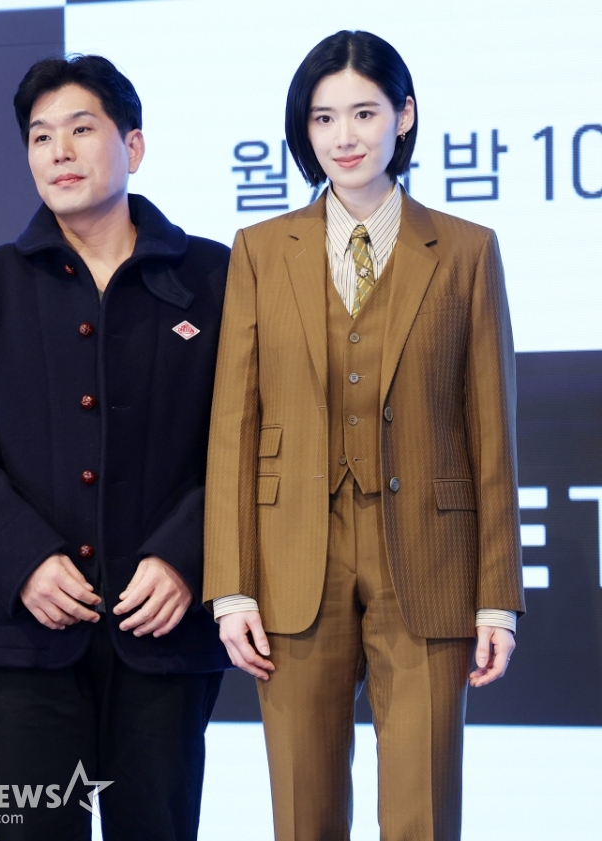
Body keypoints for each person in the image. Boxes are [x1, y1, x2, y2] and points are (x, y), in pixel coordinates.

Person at [204, 30, 524, 841]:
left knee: (422, 809)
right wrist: (231, 587)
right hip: (292, 559)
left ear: (403, 115)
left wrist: (498, 596)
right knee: (302, 810)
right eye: (323, 118)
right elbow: (235, 427)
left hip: (429, 560)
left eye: (364, 113)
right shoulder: (259, 251)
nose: (343, 136)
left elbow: (492, 434)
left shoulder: (466, 251)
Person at [0, 55, 231, 840]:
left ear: (134, 145)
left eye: (81, 130)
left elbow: (248, 441)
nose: (59, 151)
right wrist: (24, 559)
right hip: (24, 635)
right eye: (40, 136)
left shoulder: (215, 277)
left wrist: (184, 557)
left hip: (164, 629)